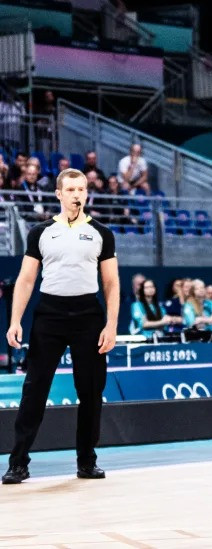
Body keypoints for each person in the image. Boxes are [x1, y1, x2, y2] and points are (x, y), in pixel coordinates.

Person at [3, 168, 118, 484]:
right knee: (34, 389)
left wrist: (111, 324)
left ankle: (87, 461)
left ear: (86, 193)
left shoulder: (102, 233)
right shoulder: (40, 232)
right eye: (70, 189)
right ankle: (18, 463)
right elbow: (26, 279)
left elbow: (111, 282)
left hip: (88, 316)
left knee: (91, 391)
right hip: (49, 315)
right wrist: (15, 321)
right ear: (58, 194)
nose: (76, 194)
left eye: (81, 189)